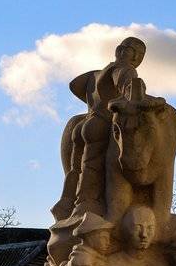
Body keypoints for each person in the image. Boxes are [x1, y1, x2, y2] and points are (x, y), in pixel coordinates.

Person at [60, 37, 147, 219]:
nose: (123, 50)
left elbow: (75, 85)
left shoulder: (97, 73)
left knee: (76, 168)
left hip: (84, 124)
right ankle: (85, 204)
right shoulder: (125, 70)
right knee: (91, 166)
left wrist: (94, 103)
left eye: (126, 49)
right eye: (123, 47)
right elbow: (130, 92)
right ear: (136, 57)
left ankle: (66, 203)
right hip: (100, 124)